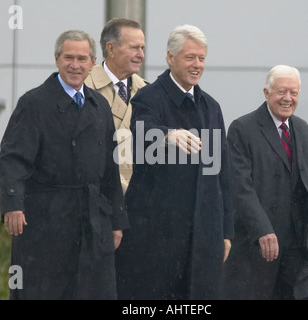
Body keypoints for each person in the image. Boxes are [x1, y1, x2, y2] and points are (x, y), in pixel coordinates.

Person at [0, 30, 129, 300]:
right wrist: (13, 204)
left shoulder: (99, 106)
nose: (75, 65)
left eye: (82, 59)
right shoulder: (33, 103)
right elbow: (12, 158)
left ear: (93, 62)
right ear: (56, 59)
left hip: (93, 224)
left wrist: (116, 220)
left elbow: (109, 169)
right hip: (46, 222)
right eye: (69, 57)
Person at [115, 25, 233, 300]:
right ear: (170, 57)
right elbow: (141, 133)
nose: (197, 65)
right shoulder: (149, 97)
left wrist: (226, 231)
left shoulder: (211, 107)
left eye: (201, 58)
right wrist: (167, 135)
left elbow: (222, 174)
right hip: (155, 237)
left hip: (203, 235)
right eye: (190, 57)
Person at [223, 65, 308, 300]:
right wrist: (263, 230)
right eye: (282, 91)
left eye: (294, 92)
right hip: (259, 247)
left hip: (298, 247)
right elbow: (241, 188)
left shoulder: (301, 128)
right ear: (266, 93)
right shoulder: (242, 129)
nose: (288, 98)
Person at [85, 18, 147, 194]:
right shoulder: (84, 89)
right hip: (97, 199)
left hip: (138, 203)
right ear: (111, 49)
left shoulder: (148, 91)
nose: (141, 54)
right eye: (134, 48)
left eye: (142, 48)